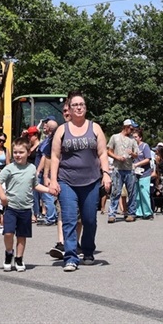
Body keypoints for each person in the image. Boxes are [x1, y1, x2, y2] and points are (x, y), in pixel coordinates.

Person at [47, 91, 112, 271]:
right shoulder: (62, 130)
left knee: (90, 219)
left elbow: (102, 153)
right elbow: (55, 156)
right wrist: (53, 180)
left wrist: (106, 173)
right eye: (75, 105)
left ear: (85, 108)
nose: (78, 107)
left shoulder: (95, 128)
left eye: (81, 104)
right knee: (69, 219)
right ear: (69, 108)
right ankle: (70, 257)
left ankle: (88, 250)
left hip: (91, 181)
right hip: (67, 181)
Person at [0, 136, 50, 272]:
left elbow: (35, 185)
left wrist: (49, 190)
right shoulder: (9, 168)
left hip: (25, 208)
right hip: (11, 207)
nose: (18, 155)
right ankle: (8, 253)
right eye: (15, 152)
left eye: (21, 152)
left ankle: (19, 258)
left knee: (22, 235)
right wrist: (2, 196)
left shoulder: (32, 168)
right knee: (8, 233)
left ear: (28, 152)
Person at [106, 119, 139, 223]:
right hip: (117, 168)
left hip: (129, 169)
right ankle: (112, 214)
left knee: (132, 192)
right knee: (116, 191)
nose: (132, 130)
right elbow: (108, 151)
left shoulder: (132, 140)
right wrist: (117, 157)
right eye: (131, 128)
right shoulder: (115, 137)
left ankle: (131, 213)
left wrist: (132, 154)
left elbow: (136, 154)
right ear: (126, 127)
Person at [35, 118, 59, 226]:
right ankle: (52, 216)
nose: (43, 126)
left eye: (45, 125)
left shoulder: (50, 141)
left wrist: (42, 173)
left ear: (49, 128)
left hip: (47, 172)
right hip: (46, 171)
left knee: (46, 195)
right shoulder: (48, 139)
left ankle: (51, 218)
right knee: (47, 195)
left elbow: (46, 157)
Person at [132, 128, 154, 219]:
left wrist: (138, 164)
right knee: (136, 193)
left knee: (144, 192)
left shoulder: (145, 146)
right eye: (133, 137)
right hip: (135, 173)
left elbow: (148, 159)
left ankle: (148, 212)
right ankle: (138, 212)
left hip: (145, 173)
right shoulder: (132, 147)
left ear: (140, 138)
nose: (134, 139)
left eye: (136, 137)